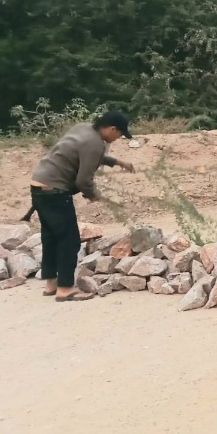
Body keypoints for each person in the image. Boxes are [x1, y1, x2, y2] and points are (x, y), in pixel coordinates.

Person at [27, 110, 135, 302]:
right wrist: (94, 195)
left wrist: (118, 162)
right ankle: (65, 289)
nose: (118, 138)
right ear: (111, 129)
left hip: (39, 186)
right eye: (119, 134)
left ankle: (51, 284)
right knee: (69, 240)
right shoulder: (95, 144)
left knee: (50, 237)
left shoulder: (83, 129)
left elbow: (89, 155)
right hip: (56, 191)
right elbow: (83, 181)